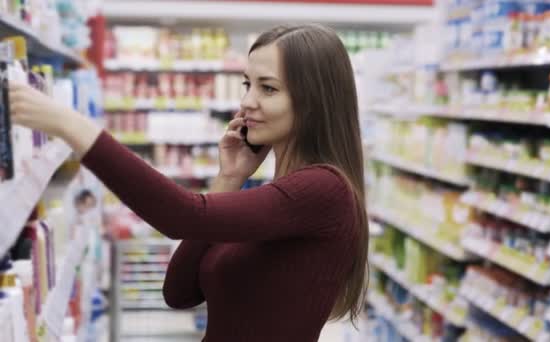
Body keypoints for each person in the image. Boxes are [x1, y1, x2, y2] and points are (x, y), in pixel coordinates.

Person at [10, 24, 369, 341]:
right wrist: (229, 178)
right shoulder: (282, 195)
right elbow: (179, 292)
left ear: (315, 102)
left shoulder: (324, 190)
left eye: (268, 89)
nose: (247, 102)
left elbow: (181, 216)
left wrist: (71, 126)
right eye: (248, 85)